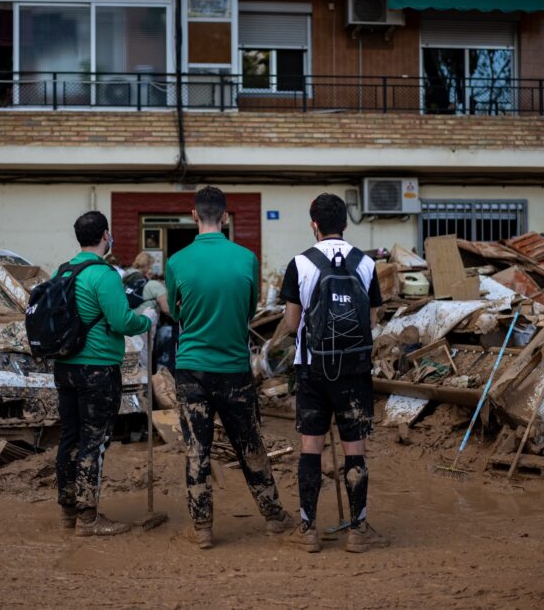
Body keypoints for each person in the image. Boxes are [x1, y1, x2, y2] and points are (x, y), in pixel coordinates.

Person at [165, 186, 294, 548]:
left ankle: (202, 527)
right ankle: (273, 516)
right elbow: (249, 309)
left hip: (191, 368)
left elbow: (177, 314)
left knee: (196, 449)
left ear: (193, 215)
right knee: (250, 443)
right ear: (225, 216)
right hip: (234, 367)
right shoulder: (247, 258)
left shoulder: (176, 262)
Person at [279, 193, 388, 554]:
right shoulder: (366, 264)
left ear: (314, 224)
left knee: (311, 448)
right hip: (354, 371)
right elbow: (371, 320)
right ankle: (358, 530)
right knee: (354, 450)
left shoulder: (300, 263)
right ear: (346, 223)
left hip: (313, 369)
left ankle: (307, 528)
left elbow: (293, 322)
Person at [53, 211, 153, 536]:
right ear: (106, 236)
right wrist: (147, 319)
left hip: (65, 366)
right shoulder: (104, 274)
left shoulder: (64, 271)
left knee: (69, 436)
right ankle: (89, 517)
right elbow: (121, 321)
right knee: (93, 440)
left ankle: (68, 510)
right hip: (96, 368)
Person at [126, 251, 170, 318]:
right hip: (140, 316)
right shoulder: (138, 277)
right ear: (147, 264)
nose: (152, 267)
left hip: (128, 312)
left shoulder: (127, 274)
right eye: (151, 265)